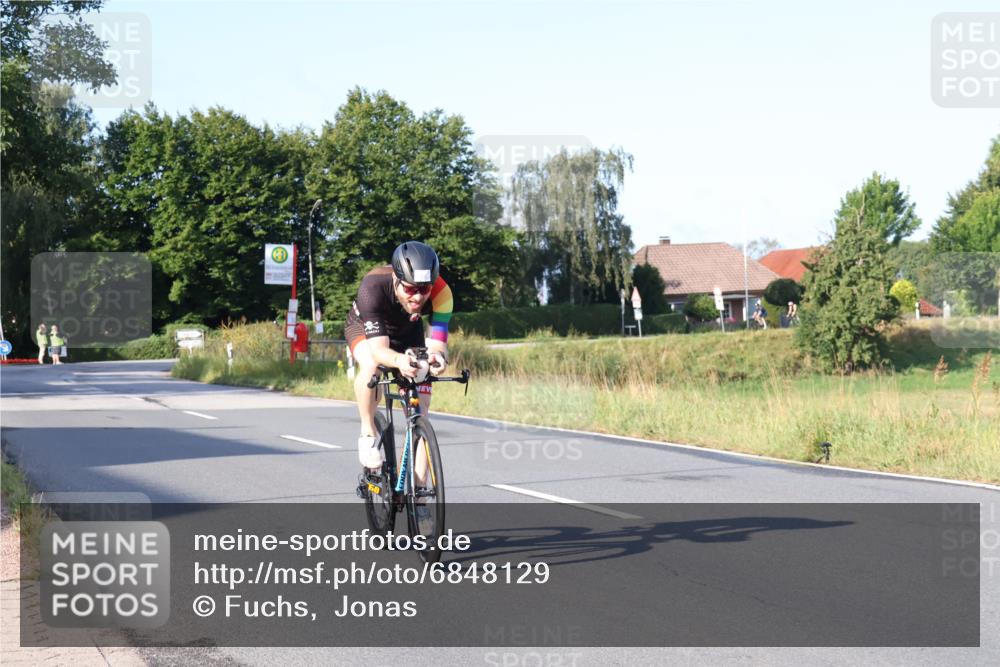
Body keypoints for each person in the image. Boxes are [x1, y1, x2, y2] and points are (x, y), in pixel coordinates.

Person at [344, 241, 452, 475]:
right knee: (373, 365)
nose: (417, 297)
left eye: (424, 289)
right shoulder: (372, 287)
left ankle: (420, 499)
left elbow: (437, 342)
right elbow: (379, 350)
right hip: (365, 329)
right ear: (396, 279)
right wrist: (399, 361)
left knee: (421, 410)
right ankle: (367, 433)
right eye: (411, 289)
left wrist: (437, 358)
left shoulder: (443, 294)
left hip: (407, 332)